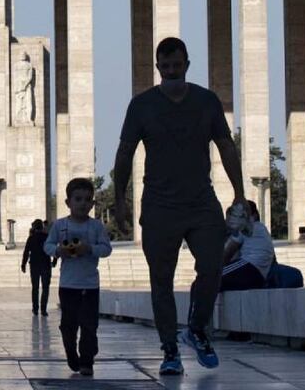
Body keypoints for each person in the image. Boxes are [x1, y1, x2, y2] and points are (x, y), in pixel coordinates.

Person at [112, 37, 246, 374]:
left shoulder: (206, 101)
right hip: (159, 205)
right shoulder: (141, 105)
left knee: (213, 266)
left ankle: (197, 328)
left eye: (177, 65)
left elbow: (226, 146)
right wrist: (119, 199)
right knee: (161, 280)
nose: (172, 71)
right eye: (166, 66)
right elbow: (125, 152)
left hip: (201, 201)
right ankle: (170, 350)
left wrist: (239, 193)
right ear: (158, 68)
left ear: (187, 64)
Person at [44, 178, 113, 377]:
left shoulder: (96, 226)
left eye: (87, 199)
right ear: (68, 202)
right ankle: (71, 352)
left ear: (92, 204)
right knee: (68, 325)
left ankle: (86, 361)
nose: (83, 203)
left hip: (90, 285)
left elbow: (106, 249)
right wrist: (58, 251)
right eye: (78, 199)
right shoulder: (60, 225)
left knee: (89, 325)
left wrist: (89, 248)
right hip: (68, 285)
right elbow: (47, 245)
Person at [221, 200, 275, 291]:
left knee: (212, 277)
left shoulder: (245, 227)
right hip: (259, 276)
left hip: (250, 267)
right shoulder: (261, 228)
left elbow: (227, 253)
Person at [21, 218, 57, 316]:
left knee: (35, 288)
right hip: (45, 265)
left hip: (34, 265)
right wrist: (54, 261)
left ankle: (35, 309)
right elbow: (54, 249)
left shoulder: (31, 238)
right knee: (45, 288)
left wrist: (23, 264)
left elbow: (26, 252)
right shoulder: (47, 237)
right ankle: (43, 309)